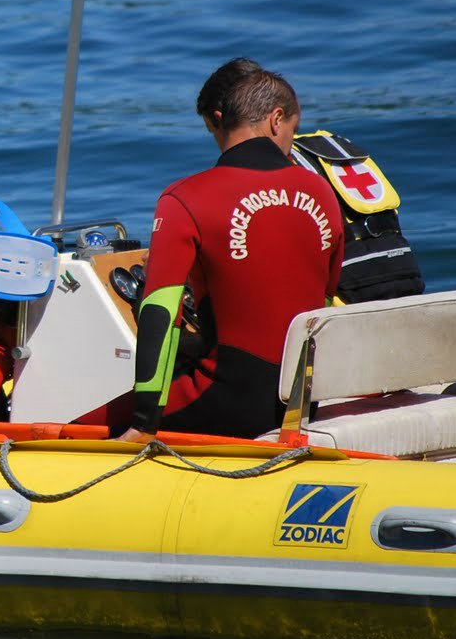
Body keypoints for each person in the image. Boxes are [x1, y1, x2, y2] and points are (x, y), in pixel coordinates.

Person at [118, 66, 343, 440]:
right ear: (275, 121)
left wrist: (143, 424)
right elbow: (321, 303)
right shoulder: (322, 193)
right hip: (301, 405)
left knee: (83, 417)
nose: (291, 140)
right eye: (292, 129)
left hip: (227, 404)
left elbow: (159, 313)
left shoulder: (184, 198)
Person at [197, 57, 422, 303]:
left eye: (212, 131)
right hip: (407, 280)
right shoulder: (333, 145)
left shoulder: (260, 168)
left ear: (225, 118)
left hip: (345, 298)